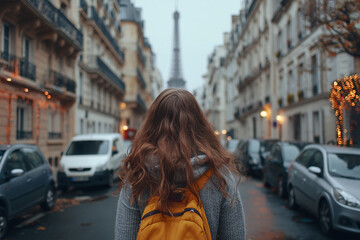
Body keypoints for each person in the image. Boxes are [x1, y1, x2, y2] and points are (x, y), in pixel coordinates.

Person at [115, 88, 246, 240]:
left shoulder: (138, 174)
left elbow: (124, 236)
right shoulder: (220, 176)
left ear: (151, 125)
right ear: (200, 124)